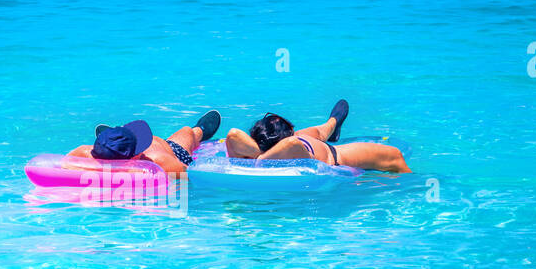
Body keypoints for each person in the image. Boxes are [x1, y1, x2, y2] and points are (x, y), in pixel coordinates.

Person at [225, 99, 410, 174]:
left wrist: (259, 158)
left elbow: (293, 141)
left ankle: (334, 123)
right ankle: (332, 124)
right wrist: (263, 159)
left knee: (322, 132)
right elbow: (232, 134)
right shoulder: (293, 143)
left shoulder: (295, 142)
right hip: (325, 152)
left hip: (332, 153)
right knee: (394, 155)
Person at [66, 111, 221, 175]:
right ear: (135, 155)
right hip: (164, 151)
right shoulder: (159, 163)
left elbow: (191, 174)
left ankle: (199, 131)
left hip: (172, 153)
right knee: (183, 133)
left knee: (189, 134)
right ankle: (197, 130)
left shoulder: (83, 153)